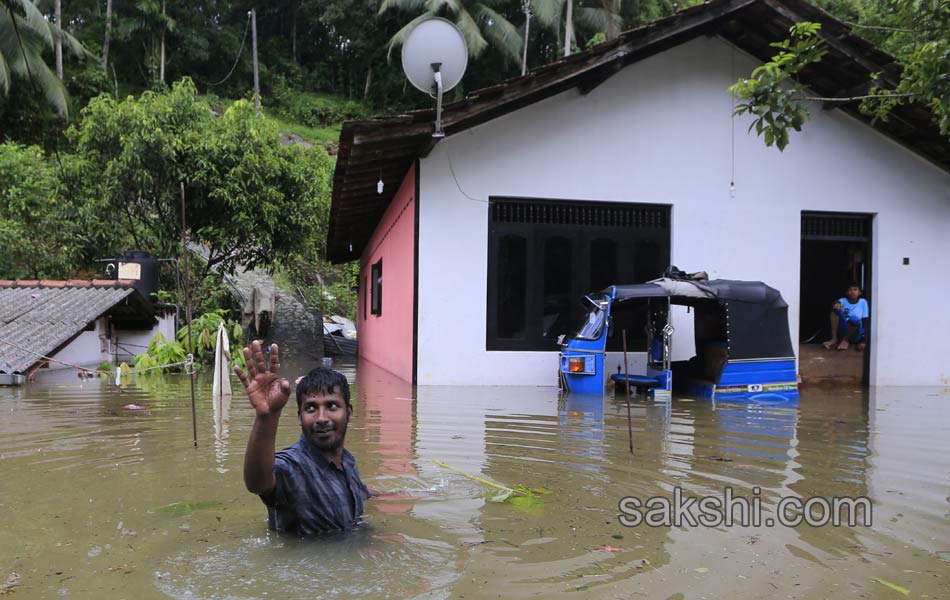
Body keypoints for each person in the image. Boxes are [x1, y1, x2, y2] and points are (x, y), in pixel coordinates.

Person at [235, 340, 370, 537]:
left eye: (332, 406)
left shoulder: (347, 460)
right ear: (299, 417)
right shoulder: (293, 468)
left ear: (349, 412)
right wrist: (266, 418)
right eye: (311, 408)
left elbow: (358, 491)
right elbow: (258, 483)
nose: (322, 418)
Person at [823, 283, 869, 351]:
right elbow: (836, 302)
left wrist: (864, 341)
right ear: (847, 293)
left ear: (859, 293)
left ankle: (845, 340)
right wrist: (836, 303)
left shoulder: (863, 302)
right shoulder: (843, 300)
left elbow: (866, 320)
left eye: (855, 290)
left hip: (856, 333)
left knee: (854, 319)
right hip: (843, 330)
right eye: (850, 290)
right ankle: (834, 339)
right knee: (835, 309)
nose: (852, 292)